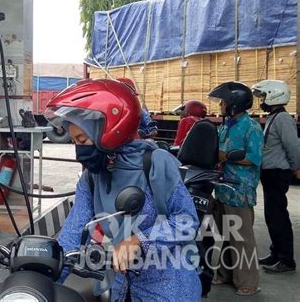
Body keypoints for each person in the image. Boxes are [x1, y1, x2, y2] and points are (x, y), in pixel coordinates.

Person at [44, 78, 201, 301]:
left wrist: (138, 240)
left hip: (167, 288)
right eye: (74, 141)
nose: (79, 150)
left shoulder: (156, 163)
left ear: (109, 130)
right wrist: (45, 281)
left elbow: (187, 222)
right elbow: (73, 232)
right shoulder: (92, 178)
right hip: (121, 288)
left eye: (82, 139)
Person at [207, 81, 263, 296]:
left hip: (240, 190)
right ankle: (225, 274)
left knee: (242, 237)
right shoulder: (226, 125)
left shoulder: (251, 127)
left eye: (223, 101)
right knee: (228, 233)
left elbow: (254, 157)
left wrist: (227, 157)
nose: (220, 105)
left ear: (234, 104)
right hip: (222, 187)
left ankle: (248, 281)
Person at [252, 80, 298, 273]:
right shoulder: (273, 116)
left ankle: (286, 260)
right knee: (272, 216)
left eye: (263, 96)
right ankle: (276, 252)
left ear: (274, 95)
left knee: (278, 216)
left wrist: (297, 166)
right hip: (269, 173)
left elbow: (293, 146)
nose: (261, 100)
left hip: (278, 173)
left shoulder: (283, 119)